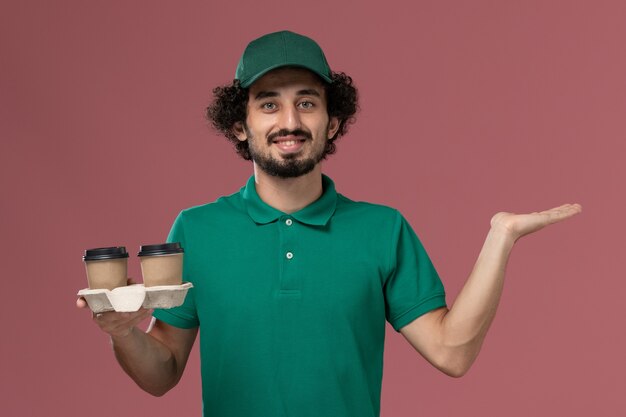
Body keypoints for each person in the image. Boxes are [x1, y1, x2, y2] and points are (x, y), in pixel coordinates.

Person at [77, 30, 581, 416]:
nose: (289, 121)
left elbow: (452, 353)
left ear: (331, 122)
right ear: (240, 125)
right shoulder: (196, 229)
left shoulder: (382, 230)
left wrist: (502, 237)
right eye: (269, 103)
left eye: (306, 102)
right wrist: (123, 333)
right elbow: (161, 373)